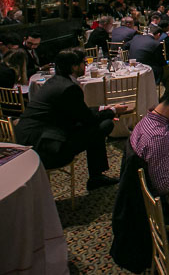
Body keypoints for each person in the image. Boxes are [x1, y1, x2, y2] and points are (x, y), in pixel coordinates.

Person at [15, 48, 127, 190]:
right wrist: (113, 111)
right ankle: (96, 176)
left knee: (98, 123)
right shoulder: (69, 88)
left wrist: (104, 108)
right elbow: (87, 118)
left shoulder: (55, 82)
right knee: (104, 125)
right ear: (74, 66)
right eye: (83, 63)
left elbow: (79, 112)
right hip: (45, 147)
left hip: (30, 137)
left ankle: (97, 176)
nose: (85, 67)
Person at [125, 26, 169, 90]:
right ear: (158, 34)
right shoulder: (156, 44)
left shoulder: (136, 37)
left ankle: (167, 90)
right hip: (149, 69)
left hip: (133, 67)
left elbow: (125, 46)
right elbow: (162, 63)